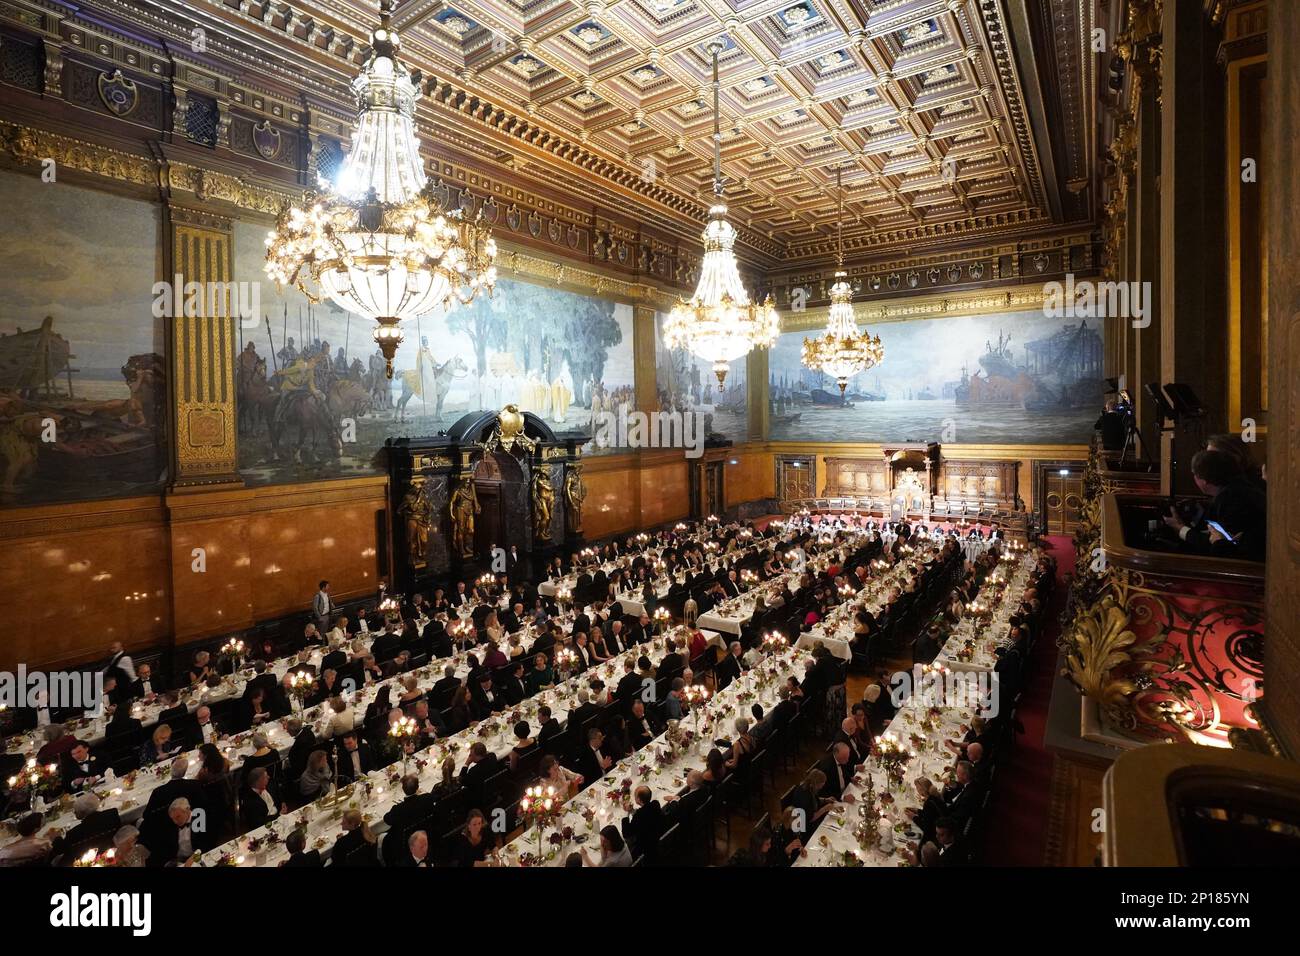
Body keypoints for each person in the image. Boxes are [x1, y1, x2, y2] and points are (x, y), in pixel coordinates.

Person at [1162, 448, 1266, 560]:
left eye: (1194, 474)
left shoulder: (1231, 499)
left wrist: (1180, 528)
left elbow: (1218, 545)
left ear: (1203, 480)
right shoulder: (1239, 488)